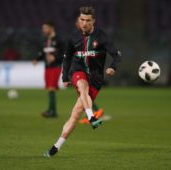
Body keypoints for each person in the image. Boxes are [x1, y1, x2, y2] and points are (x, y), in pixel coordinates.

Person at [45, 6, 122, 157]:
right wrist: (65, 77)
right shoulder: (73, 38)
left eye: (87, 20)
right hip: (78, 72)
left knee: (75, 114)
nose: (84, 23)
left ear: (93, 21)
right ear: (79, 20)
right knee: (82, 85)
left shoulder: (102, 36)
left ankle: (56, 146)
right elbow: (67, 58)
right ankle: (91, 116)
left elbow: (117, 56)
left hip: (96, 78)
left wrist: (112, 68)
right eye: (82, 20)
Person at [33, 21, 64, 118]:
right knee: (49, 89)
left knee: (51, 87)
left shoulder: (59, 40)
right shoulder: (46, 40)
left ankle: (53, 112)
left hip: (56, 66)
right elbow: (43, 53)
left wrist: (55, 57)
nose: (43, 30)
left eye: (45, 28)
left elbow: (64, 53)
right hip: (47, 67)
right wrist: (37, 59)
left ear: (51, 28)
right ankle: (51, 110)